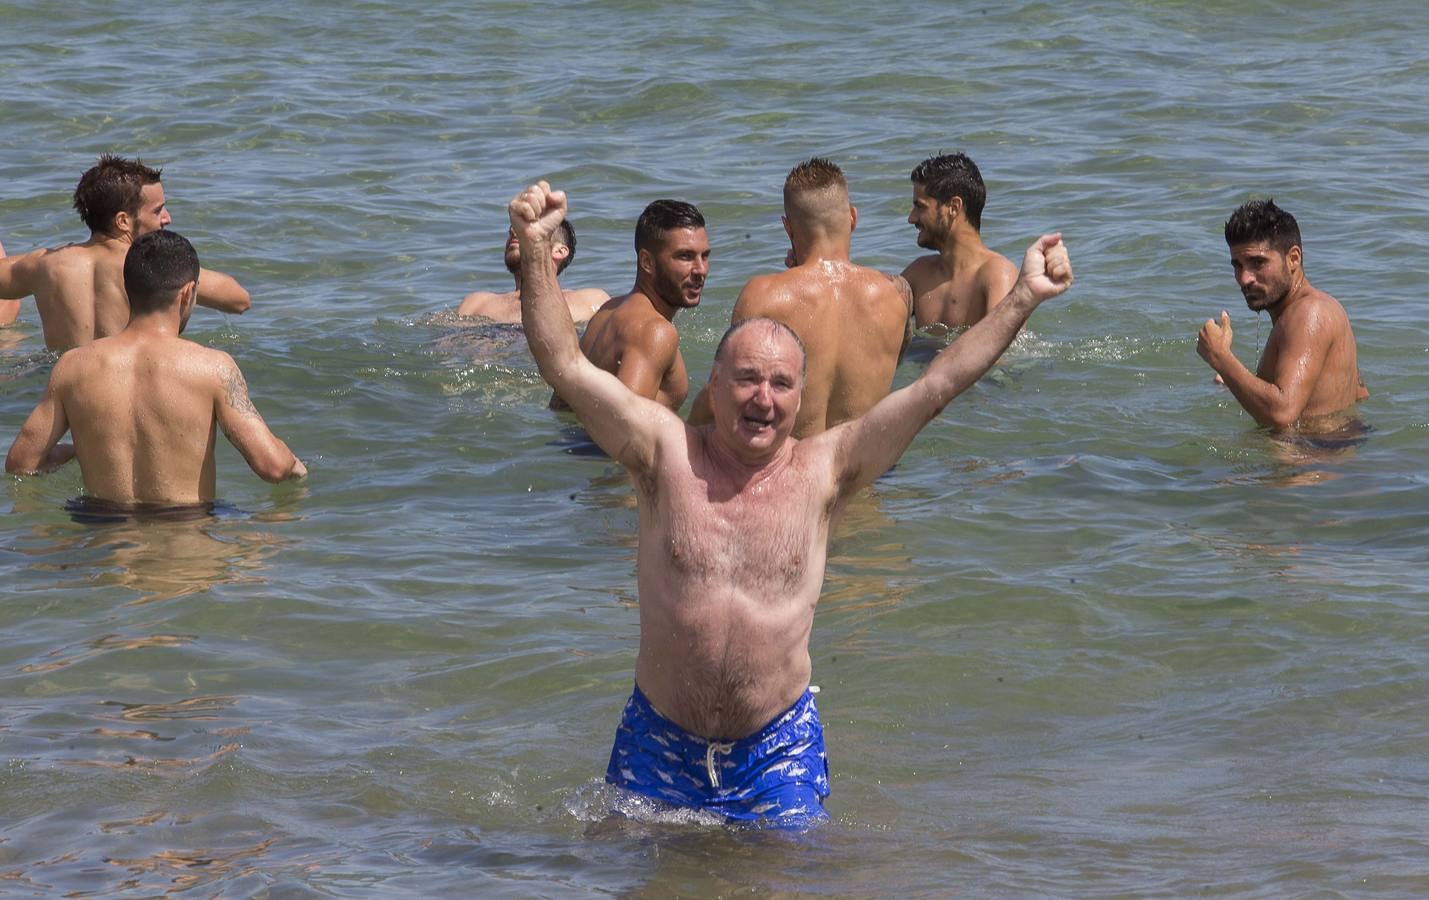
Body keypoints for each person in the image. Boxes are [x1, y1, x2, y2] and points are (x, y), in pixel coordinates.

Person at [510, 180, 1072, 825]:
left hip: (776, 749)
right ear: (714, 387)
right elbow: (565, 366)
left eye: (781, 383)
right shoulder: (663, 454)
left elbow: (939, 382)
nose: (763, 398)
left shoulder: (825, 470)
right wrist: (534, 247)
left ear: (800, 398)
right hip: (658, 738)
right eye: (746, 378)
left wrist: (1025, 296)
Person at [6, 230, 305, 505]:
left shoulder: (73, 366)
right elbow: (272, 466)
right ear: (188, 293)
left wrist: (78, 450)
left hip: (102, 532)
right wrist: (294, 464)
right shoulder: (213, 367)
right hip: (184, 533)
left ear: (129, 287)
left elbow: (22, 463)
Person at [688, 157, 909, 437]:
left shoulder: (764, 296)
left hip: (796, 468)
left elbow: (716, 399)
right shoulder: (895, 297)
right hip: (870, 471)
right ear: (853, 218)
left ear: (788, 227)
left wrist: (681, 441)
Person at [0, 155, 251, 352]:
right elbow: (239, 300)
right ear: (123, 221)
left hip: (63, 388)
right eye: (157, 211)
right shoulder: (150, 266)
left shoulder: (44, 265)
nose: (167, 218)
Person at [1197, 199, 1368, 430]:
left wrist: (1220, 358)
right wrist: (1233, 379)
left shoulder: (1309, 313)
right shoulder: (1322, 308)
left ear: (1293, 259)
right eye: (1237, 265)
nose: (1244, 278)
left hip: (1311, 463)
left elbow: (1282, 412)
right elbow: (1358, 394)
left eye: (1258, 262)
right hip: (1324, 458)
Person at [551, 199, 708, 412]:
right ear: (647, 262)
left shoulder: (608, 312)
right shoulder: (654, 331)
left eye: (704, 256)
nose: (701, 270)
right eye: (685, 256)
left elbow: (560, 406)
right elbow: (623, 426)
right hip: (593, 446)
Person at [901, 152, 1019, 331]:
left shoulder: (996, 274)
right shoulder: (918, 274)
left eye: (920, 207)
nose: (911, 218)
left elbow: (1002, 353)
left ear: (953, 207)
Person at [457, 218, 609, 324]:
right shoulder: (476, 304)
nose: (514, 232)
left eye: (530, 229)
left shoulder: (592, 302)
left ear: (559, 251)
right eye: (513, 230)